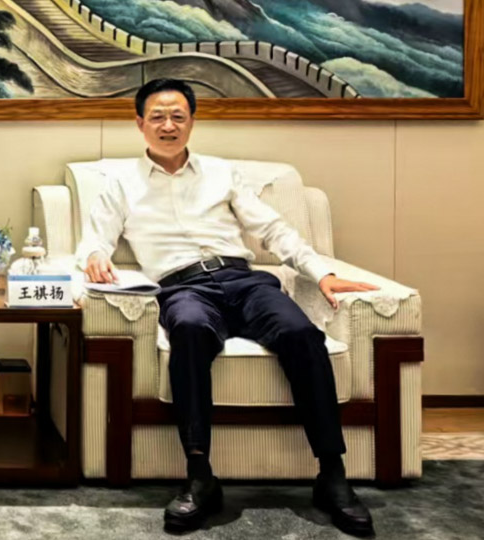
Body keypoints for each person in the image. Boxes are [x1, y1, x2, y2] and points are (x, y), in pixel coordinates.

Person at [79, 78, 379, 536]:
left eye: (178, 116)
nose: (168, 125)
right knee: (189, 331)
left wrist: (321, 272)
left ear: (192, 122)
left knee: (301, 334)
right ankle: (200, 476)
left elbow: (273, 230)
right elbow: (95, 240)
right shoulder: (120, 183)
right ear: (139, 123)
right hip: (184, 288)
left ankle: (332, 475)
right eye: (157, 117)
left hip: (244, 281)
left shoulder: (222, 173)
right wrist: (95, 256)